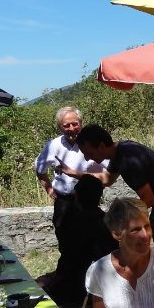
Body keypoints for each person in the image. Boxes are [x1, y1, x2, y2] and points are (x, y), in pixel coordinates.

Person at [74, 125, 154, 255]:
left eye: (89, 153)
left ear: (101, 146)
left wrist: (122, 219)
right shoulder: (119, 151)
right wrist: (74, 173)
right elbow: (107, 179)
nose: (87, 158)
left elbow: (148, 199)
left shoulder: (128, 160)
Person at [44, 175, 118, 308]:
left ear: (77, 196)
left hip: (80, 284)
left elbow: (69, 258)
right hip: (107, 278)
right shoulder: (107, 221)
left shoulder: (73, 222)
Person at [35, 106, 104, 247]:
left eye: (75, 124)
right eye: (66, 125)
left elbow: (106, 173)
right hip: (63, 202)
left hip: (89, 201)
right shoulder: (53, 145)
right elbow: (40, 168)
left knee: (91, 240)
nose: (71, 128)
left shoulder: (93, 143)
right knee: (65, 240)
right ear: (60, 127)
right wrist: (49, 188)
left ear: (81, 123)